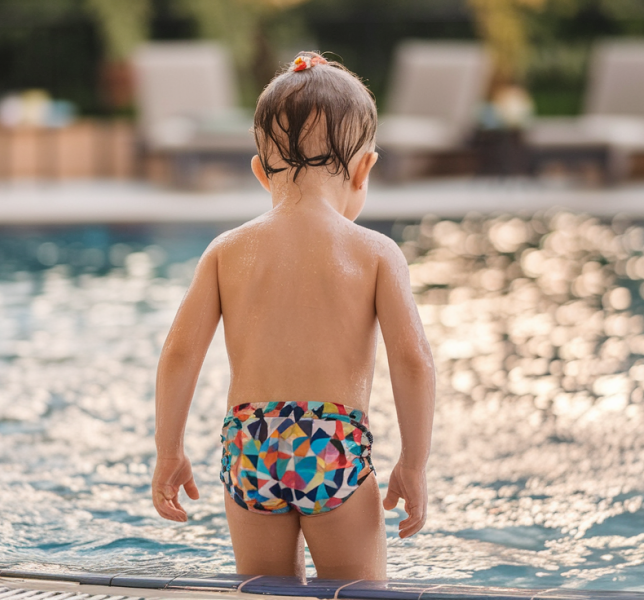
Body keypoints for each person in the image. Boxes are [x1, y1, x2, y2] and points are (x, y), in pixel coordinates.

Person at [150, 51, 435, 581]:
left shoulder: (226, 250)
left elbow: (180, 354)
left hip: (251, 447)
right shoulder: (374, 251)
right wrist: (413, 465)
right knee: (355, 594)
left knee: (268, 593)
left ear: (260, 172)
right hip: (331, 446)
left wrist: (169, 451)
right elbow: (413, 361)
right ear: (364, 168)